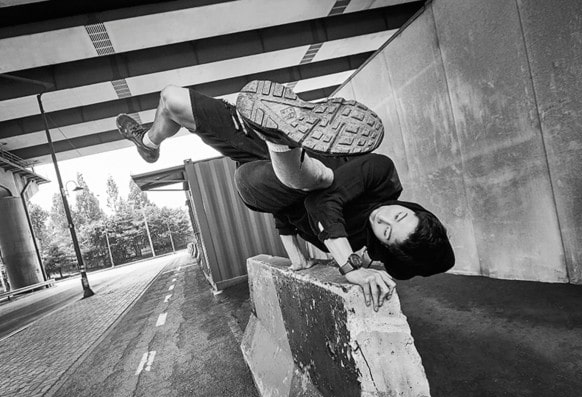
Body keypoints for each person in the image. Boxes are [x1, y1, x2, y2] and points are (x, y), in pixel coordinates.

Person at [117, 80, 454, 311]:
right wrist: (345, 265)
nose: (384, 218)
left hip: (260, 183)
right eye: (399, 215)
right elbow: (325, 204)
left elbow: (303, 210)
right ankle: (147, 143)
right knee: (172, 99)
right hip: (261, 145)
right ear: (411, 207)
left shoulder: (348, 242)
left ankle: (281, 140)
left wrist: (303, 252)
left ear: (384, 247)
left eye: (387, 232)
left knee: (321, 181)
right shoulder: (382, 175)